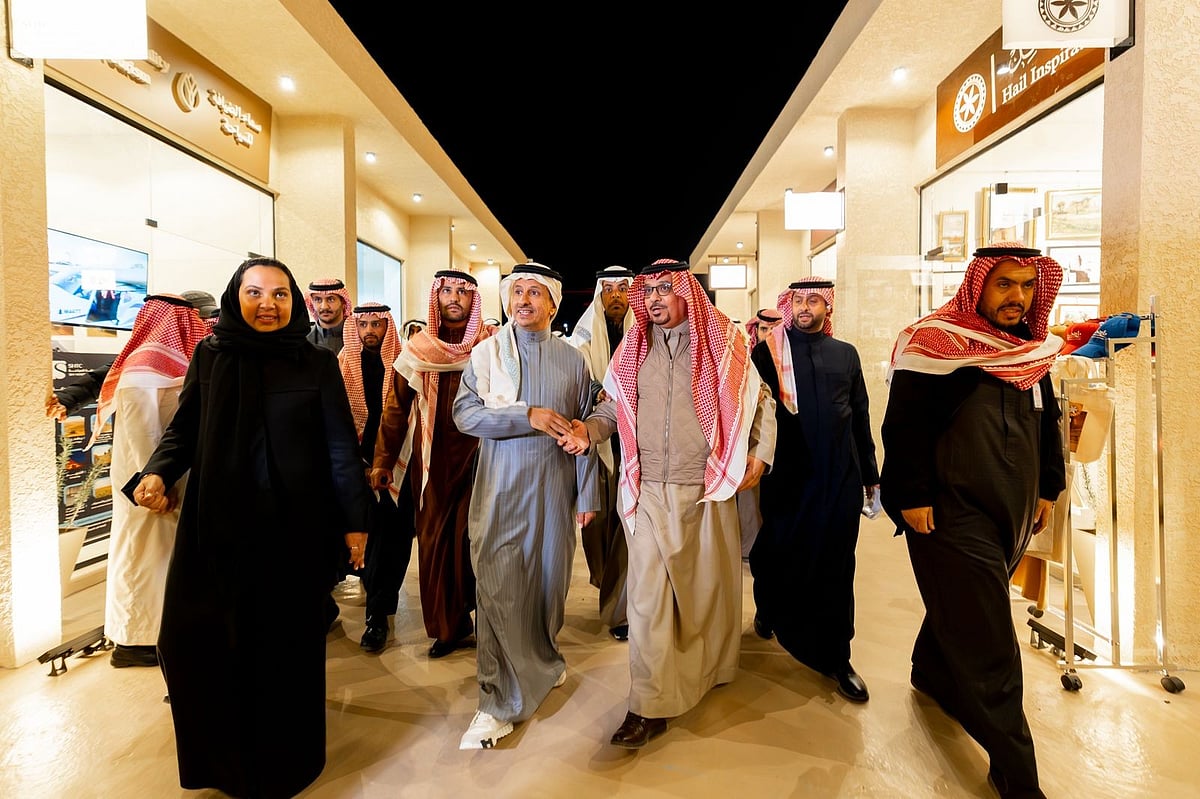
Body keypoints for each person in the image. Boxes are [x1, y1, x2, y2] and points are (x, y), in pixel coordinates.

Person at [129, 257, 370, 798]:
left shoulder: (314, 362)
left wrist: (355, 520)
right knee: (193, 641)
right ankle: (219, 765)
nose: (268, 304)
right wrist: (158, 471)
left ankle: (285, 764)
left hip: (292, 530)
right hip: (214, 526)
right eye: (255, 292)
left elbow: (339, 446)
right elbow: (185, 428)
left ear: (293, 303)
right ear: (235, 297)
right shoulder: (210, 355)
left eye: (280, 294)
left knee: (283, 649)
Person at [563, 258, 776, 750]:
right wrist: (588, 431)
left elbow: (759, 401)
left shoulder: (724, 343)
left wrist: (761, 452)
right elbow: (612, 407)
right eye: (649, 290)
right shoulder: (634, 349)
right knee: (647, 600)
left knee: (706, 595)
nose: (654, 298)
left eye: (664, 288)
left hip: (706, 490)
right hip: (648, 493)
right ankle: (647, 704)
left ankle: (709, 670)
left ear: (686, 292)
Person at [879, 244, 1066, 799]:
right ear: (978, 286)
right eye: (1004, 284)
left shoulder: (1031, 350)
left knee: (967, 607)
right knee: (991, 641)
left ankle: (930, 671)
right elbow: (903, 426)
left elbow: (1047, 422)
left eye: (1027, 286)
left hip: (1014, 507)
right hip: (950, 511)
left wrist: (1048, 487)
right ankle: (1016, 772)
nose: (1018, 297)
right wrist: (912, 493)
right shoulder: (935, 344)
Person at [451, 261, 599, 750]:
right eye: (517, 292)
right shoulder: (488, 354)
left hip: (554, 492)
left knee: (547, 587)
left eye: (535, 293)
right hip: (500, 491)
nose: (524, 301)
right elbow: (465, 415)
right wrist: (525, 416)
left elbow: (586, 426)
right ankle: (497, 701)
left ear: (553, 304)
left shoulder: (573, 360)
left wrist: (588, 493)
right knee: (498, 590)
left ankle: (545, 662)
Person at [747, 277, 879, 703]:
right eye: (799, 300)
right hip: (788, 479)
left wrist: (870, 474)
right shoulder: (768, 353)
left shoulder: (846, 354)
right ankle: (770, 609)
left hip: (839, 478)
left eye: (814, 300)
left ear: (828, 306)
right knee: (778, 553)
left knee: (837, 565)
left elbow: (860, 415)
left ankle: (838, 656)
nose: (805, 307)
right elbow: (754, 414)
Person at [370, 270, 493, 658]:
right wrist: (383, 460)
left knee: (477, 542)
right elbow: (395, 408)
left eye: (462, 292)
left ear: (473, 300)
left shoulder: (490, 346)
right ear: (436, 298)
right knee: (435, 544)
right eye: (447, 291)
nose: (454, 298)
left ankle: (491, 625)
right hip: (431, 463)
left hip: (482, 459)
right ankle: (448, 628)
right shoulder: (418, 350)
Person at [91, 295, 211, 668]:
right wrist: (155, 485)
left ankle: (155, 635)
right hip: (149, 488)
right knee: (145, 561)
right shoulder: (145, 373)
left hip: (160, 482)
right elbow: (144, 437)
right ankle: (136, 642)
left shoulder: (163, 367)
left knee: (158, 561)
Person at [339, 302, 413, 653]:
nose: (369, 331)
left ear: (388, 326)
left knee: (396, 539)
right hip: (357, 464)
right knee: (370, 539)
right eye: (363, 324)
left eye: (377, 324)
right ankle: (376, 611)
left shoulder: (405, 362)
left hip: (399, 462)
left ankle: (382, 606)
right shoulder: (343, 363)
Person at [565, 265, 635, 640]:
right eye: (608, 289)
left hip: (635, 447)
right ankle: (608, 589)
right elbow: (575, 384)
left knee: (628, 528)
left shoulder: (643, 335)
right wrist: (596, 391)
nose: (616, 295)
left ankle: (621, 610)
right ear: (599, 296)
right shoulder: (581, 342)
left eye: (623, 288)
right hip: (594, 447)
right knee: (597, 528)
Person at [46, 291, 218, 421]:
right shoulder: (157, 354)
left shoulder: (218, 351)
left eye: (208, 320)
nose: (205, 326)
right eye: (198, 320)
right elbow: (109, 374)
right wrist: (68, 399)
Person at [736, 307, 784, 558]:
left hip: (781, 438)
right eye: (764, 329)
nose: (769, 335)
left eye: (775, 329)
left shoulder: (788, 357)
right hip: (751, 441)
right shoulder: (749, 357)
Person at [304, 277, 352, 354]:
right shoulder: (302, 339)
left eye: (331, 299)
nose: (324, 307)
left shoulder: (358, 336)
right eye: (318, 300)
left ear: (343, 303)